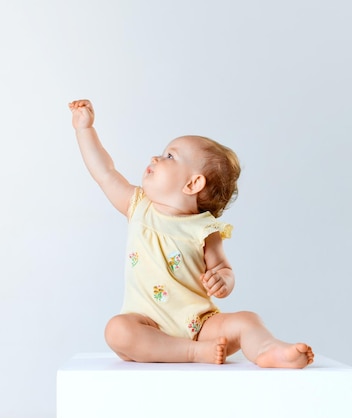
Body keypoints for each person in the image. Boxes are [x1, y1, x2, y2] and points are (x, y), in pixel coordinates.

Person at [69, 99, 314, 368]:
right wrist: (85, 129)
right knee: (117, 331)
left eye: (170, 156)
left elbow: (223, 268)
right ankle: (193, 352)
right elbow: (105, 173)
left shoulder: (205, 229)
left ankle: (269, 350)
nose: (155, 157)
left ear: (193, 183)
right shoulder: (137, 206)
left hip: (201, 325)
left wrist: (223, 281)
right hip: (147, 323)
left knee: (248, 320)